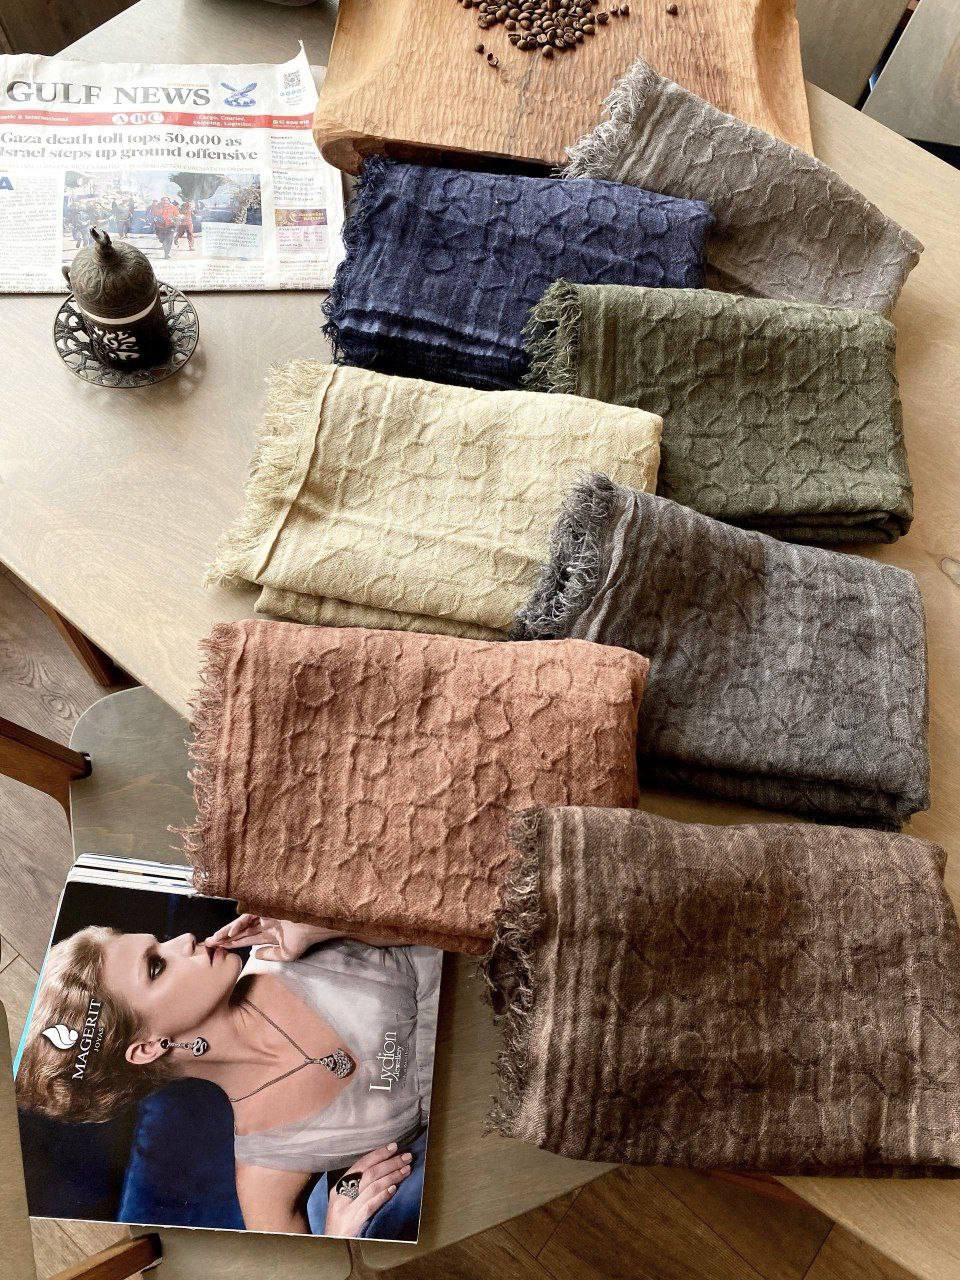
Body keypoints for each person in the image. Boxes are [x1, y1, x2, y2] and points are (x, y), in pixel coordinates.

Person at [16, 915, 439, 1237]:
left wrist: (325, 924)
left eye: (159, 942)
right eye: (157, 966)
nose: (184, 940)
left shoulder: (285, 941)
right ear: (147, 1048)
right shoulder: (265, 1169)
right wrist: (339, 1230)